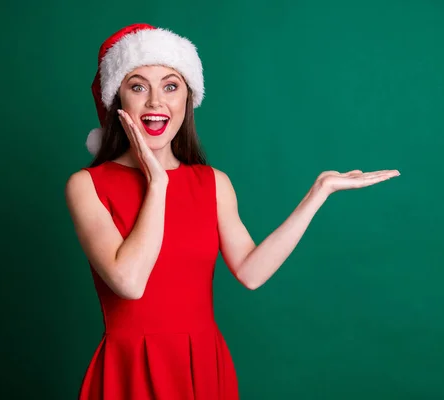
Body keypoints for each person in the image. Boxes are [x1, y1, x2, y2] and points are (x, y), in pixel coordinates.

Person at [65, 23, 400, 400]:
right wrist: (158, 182)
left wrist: (318, 192)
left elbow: (251, 272)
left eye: (171, 86)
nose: (156, 101)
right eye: (138, 86)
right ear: (117, 101)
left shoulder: (213, 184)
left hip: (203, 366)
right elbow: (129, 282)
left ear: (187, 99)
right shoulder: (87, 185)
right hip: (129, 371)